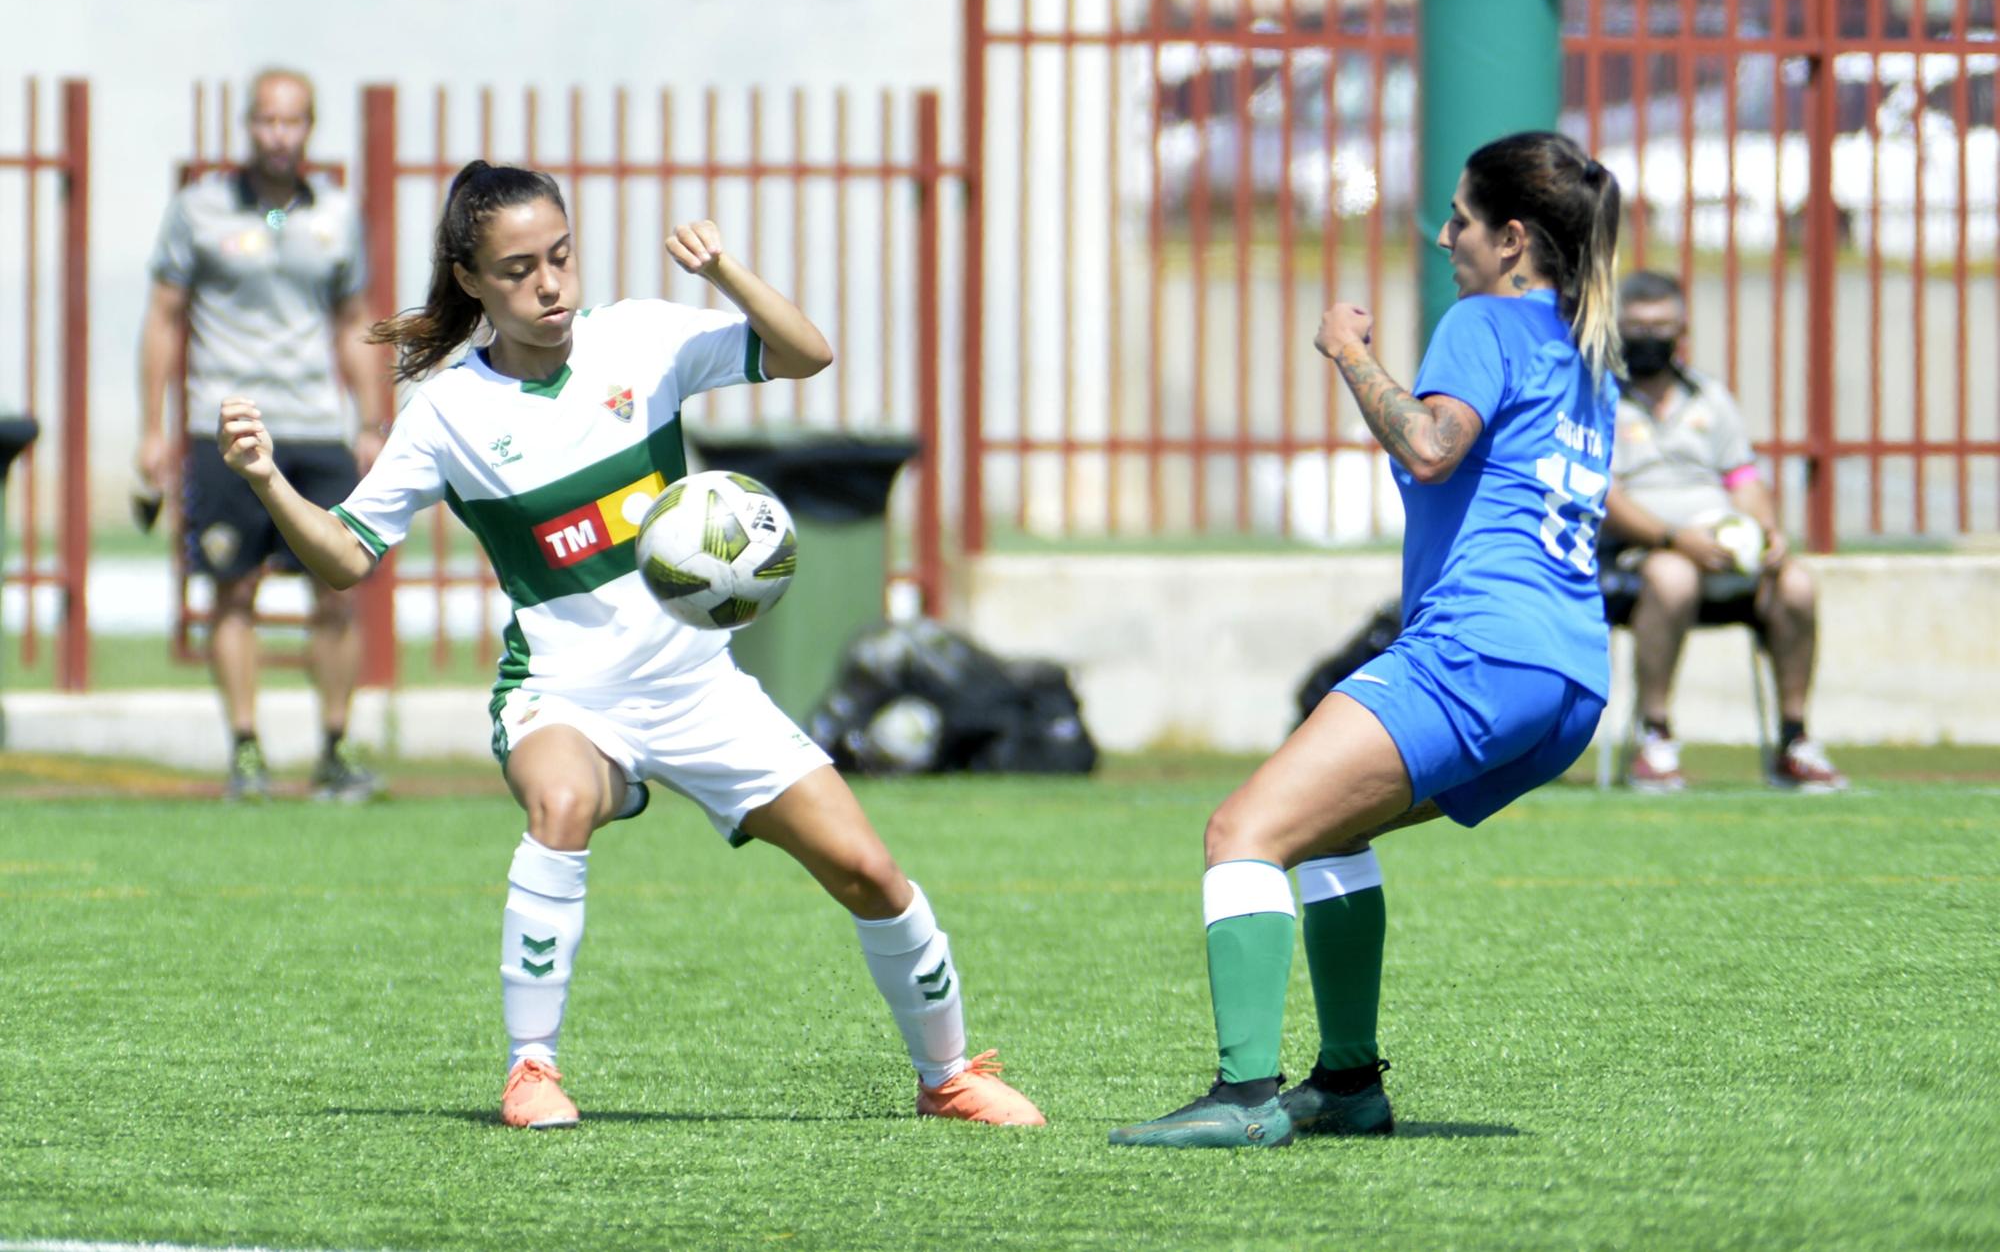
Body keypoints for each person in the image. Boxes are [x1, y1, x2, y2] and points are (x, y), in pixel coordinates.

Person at [215, 161, 1046, 1132]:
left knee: (868, 869)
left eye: (560, 256)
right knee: (561, 799)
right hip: (564, 693)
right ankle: (532, 1070)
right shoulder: (447, 413)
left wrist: (727, 270)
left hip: (700, 690)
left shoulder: (642, 342)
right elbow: (345, 558)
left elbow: (805, 351)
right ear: (472, 279)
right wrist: (270, 479)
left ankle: (945, 1073)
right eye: (519, 268)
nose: (550, 285)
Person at [1111, 132, 1623, 1149]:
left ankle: (1243, 1096)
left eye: (1460, 221)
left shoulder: (1484, 319)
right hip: (1568, 679)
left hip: (1479, 651)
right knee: (1328, 826)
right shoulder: (1585, 352)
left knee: (1241, 832)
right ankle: (1346, 1081)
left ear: (1512, 238)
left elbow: (1432, 448)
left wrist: (1347, 349)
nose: (1444, 239)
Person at [139, 67, 382, 802]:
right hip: (231, 427)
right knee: (233, 590)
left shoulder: (337, 214)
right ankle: (246, 751)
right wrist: (154, 428)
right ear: (249, 126)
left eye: (293, 122)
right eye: (267, 122)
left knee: (339, 586)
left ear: (310, 128)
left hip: (315, 427)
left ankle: (334, 750)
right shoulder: (199, 209)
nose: (279, 136)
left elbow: (353, 323)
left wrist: (371, 421)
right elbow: (162, 318)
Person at [1601, 269, 1846, 792]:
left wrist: (1767, 532)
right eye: (1637, 326)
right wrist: (1673, 540)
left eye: (1661, 326)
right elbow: (1606, 498)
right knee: (1672, 578)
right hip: (1640, 557)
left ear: (1681, 328)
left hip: (1721, 548)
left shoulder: (1710, 397)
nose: (1650, 337)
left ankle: (1795, 740)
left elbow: (1743, 479)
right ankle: (1656, 738)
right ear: (1618, 327)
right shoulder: (1599, 398)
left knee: (1797, 584)